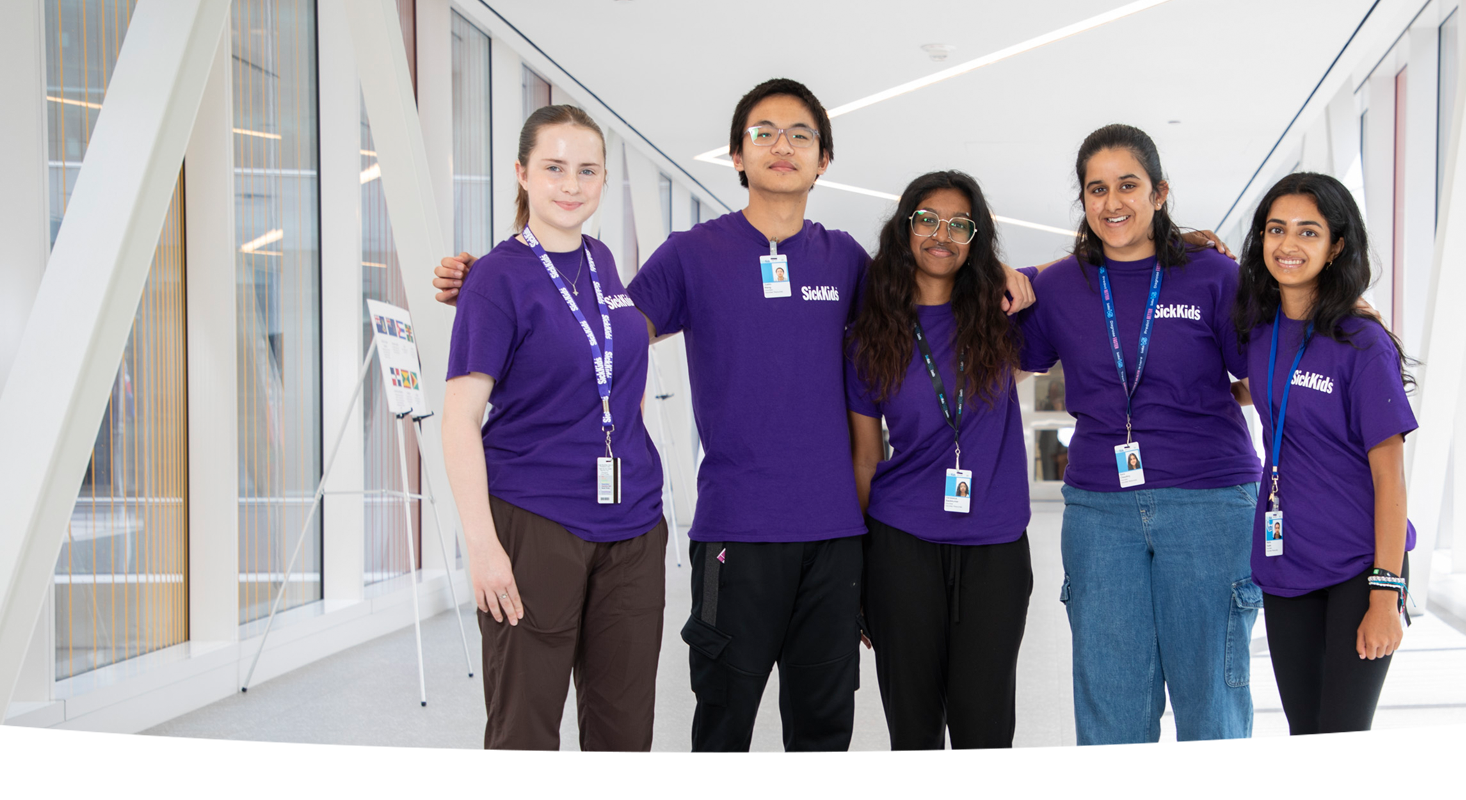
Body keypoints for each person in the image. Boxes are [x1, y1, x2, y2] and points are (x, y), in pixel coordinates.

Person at [431, 79, 1036, 752]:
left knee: (824, 731)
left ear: (824, 160)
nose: (783, 146)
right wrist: (489, 280)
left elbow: (932, 287)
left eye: (801, 135)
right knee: (723, 730)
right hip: (734, 535)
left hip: (834, 539)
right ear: (736, 156)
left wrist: (1005, 273)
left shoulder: (845, 261)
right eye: (764, 133)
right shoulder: (693, 256)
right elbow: (603, 332)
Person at [1016, 124, 1264, 746]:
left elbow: (1262, 372)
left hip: (1210, 501)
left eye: (1128, 184)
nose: (1112, 202)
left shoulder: (1212, 274)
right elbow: (1004, 361)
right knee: (1112, 706)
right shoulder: (1058, 285)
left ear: (1160, 192)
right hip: (1101, 511)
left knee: (1212, 703)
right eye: (1096, 189)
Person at [441, 105, 667, 753]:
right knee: (525, 731)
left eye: (587, 170)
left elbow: (616, 372)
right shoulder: (494, 279)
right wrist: (482, 548)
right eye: (554, 168)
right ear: (522, 174)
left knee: (625, 732)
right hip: (535, 524)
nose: (572, 185)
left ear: (602, 180)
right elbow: (459, 420)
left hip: (633, 525)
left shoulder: (601, 261)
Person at [846, 170, 1033, 752]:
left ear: (976, 240)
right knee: (914, 728)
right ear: (905, 230)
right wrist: (856, 573)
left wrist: (1187, 240)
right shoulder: (869, 337)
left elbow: (1096, 266)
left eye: (959, 225)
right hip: (901, 543)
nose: (941, 235)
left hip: (996, 548)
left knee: (986, 729)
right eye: (928, 219)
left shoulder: (1006, 318)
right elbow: (864, 459)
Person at [1230, 171, 1418, 747]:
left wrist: (1386, 593)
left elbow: (1390, 480)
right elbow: (1256, 389)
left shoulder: (1361, 342)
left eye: (1308, 232)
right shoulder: (1258, 333)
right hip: (1288, 567)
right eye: (1276, 230)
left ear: (1336, 246)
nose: (1289, 245)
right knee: (1304, 737)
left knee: (1340, 740)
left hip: (1360, 567)